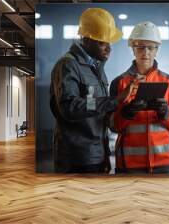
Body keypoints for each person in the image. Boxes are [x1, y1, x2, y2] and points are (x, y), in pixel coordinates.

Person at [50, 8, 136, 173]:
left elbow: (91, 105)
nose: (108, 48)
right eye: (102, 42)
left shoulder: (95, 67)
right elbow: (70, 108)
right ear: (85, 39)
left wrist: (125, 110)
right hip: (77, 158)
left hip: (97, 153)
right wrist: (114, 100)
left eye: (109, 42)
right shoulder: (68, 65)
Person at [109, 21, 169, 174]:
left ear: (157, 50)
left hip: (164, 163)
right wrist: (126, 113)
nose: (146, 52)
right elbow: (111, 124)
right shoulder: (119, 83)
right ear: (133, 49)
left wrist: (166, 112)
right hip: (129, 165)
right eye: (140, 47)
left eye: (151, 47)